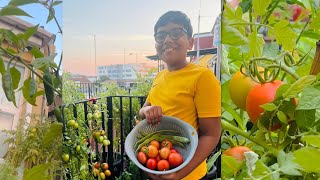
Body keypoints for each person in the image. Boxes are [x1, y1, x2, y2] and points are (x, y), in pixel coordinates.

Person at [138, 11, 221, 180]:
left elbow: (211, 134)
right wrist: (147, 111)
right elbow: (144, 108)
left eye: (176, 33)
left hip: (189, 175)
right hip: (159, 163)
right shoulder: (159, 76)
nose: (167, 40)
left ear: (190, 42)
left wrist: (178, 175)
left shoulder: (203, 77)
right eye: (161, 36)